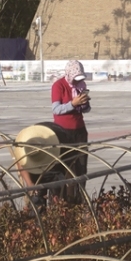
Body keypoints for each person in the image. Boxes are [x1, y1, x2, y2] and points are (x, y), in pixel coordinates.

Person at [11, 122, 81, 207]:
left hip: (58, 162)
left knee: (60, 196)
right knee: (36, 196)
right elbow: (21, 163)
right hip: (36, 164)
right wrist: (30, 184)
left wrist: (69, 199)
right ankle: (38, 213)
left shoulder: (63, 144)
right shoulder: (26, 145)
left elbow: (70, 170)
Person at [50, 60, 91, 192]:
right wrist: (73, 104)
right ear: (68, 74)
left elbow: (86, 110)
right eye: (75, 78)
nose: (76, 81)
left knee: (80, 166)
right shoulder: (58, 85)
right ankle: (61, 199)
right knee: (63, 165)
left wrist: (84, 104)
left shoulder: (81, 85)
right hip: (63, 131)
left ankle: (78, 198)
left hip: (79, 130)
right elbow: (56, 109)